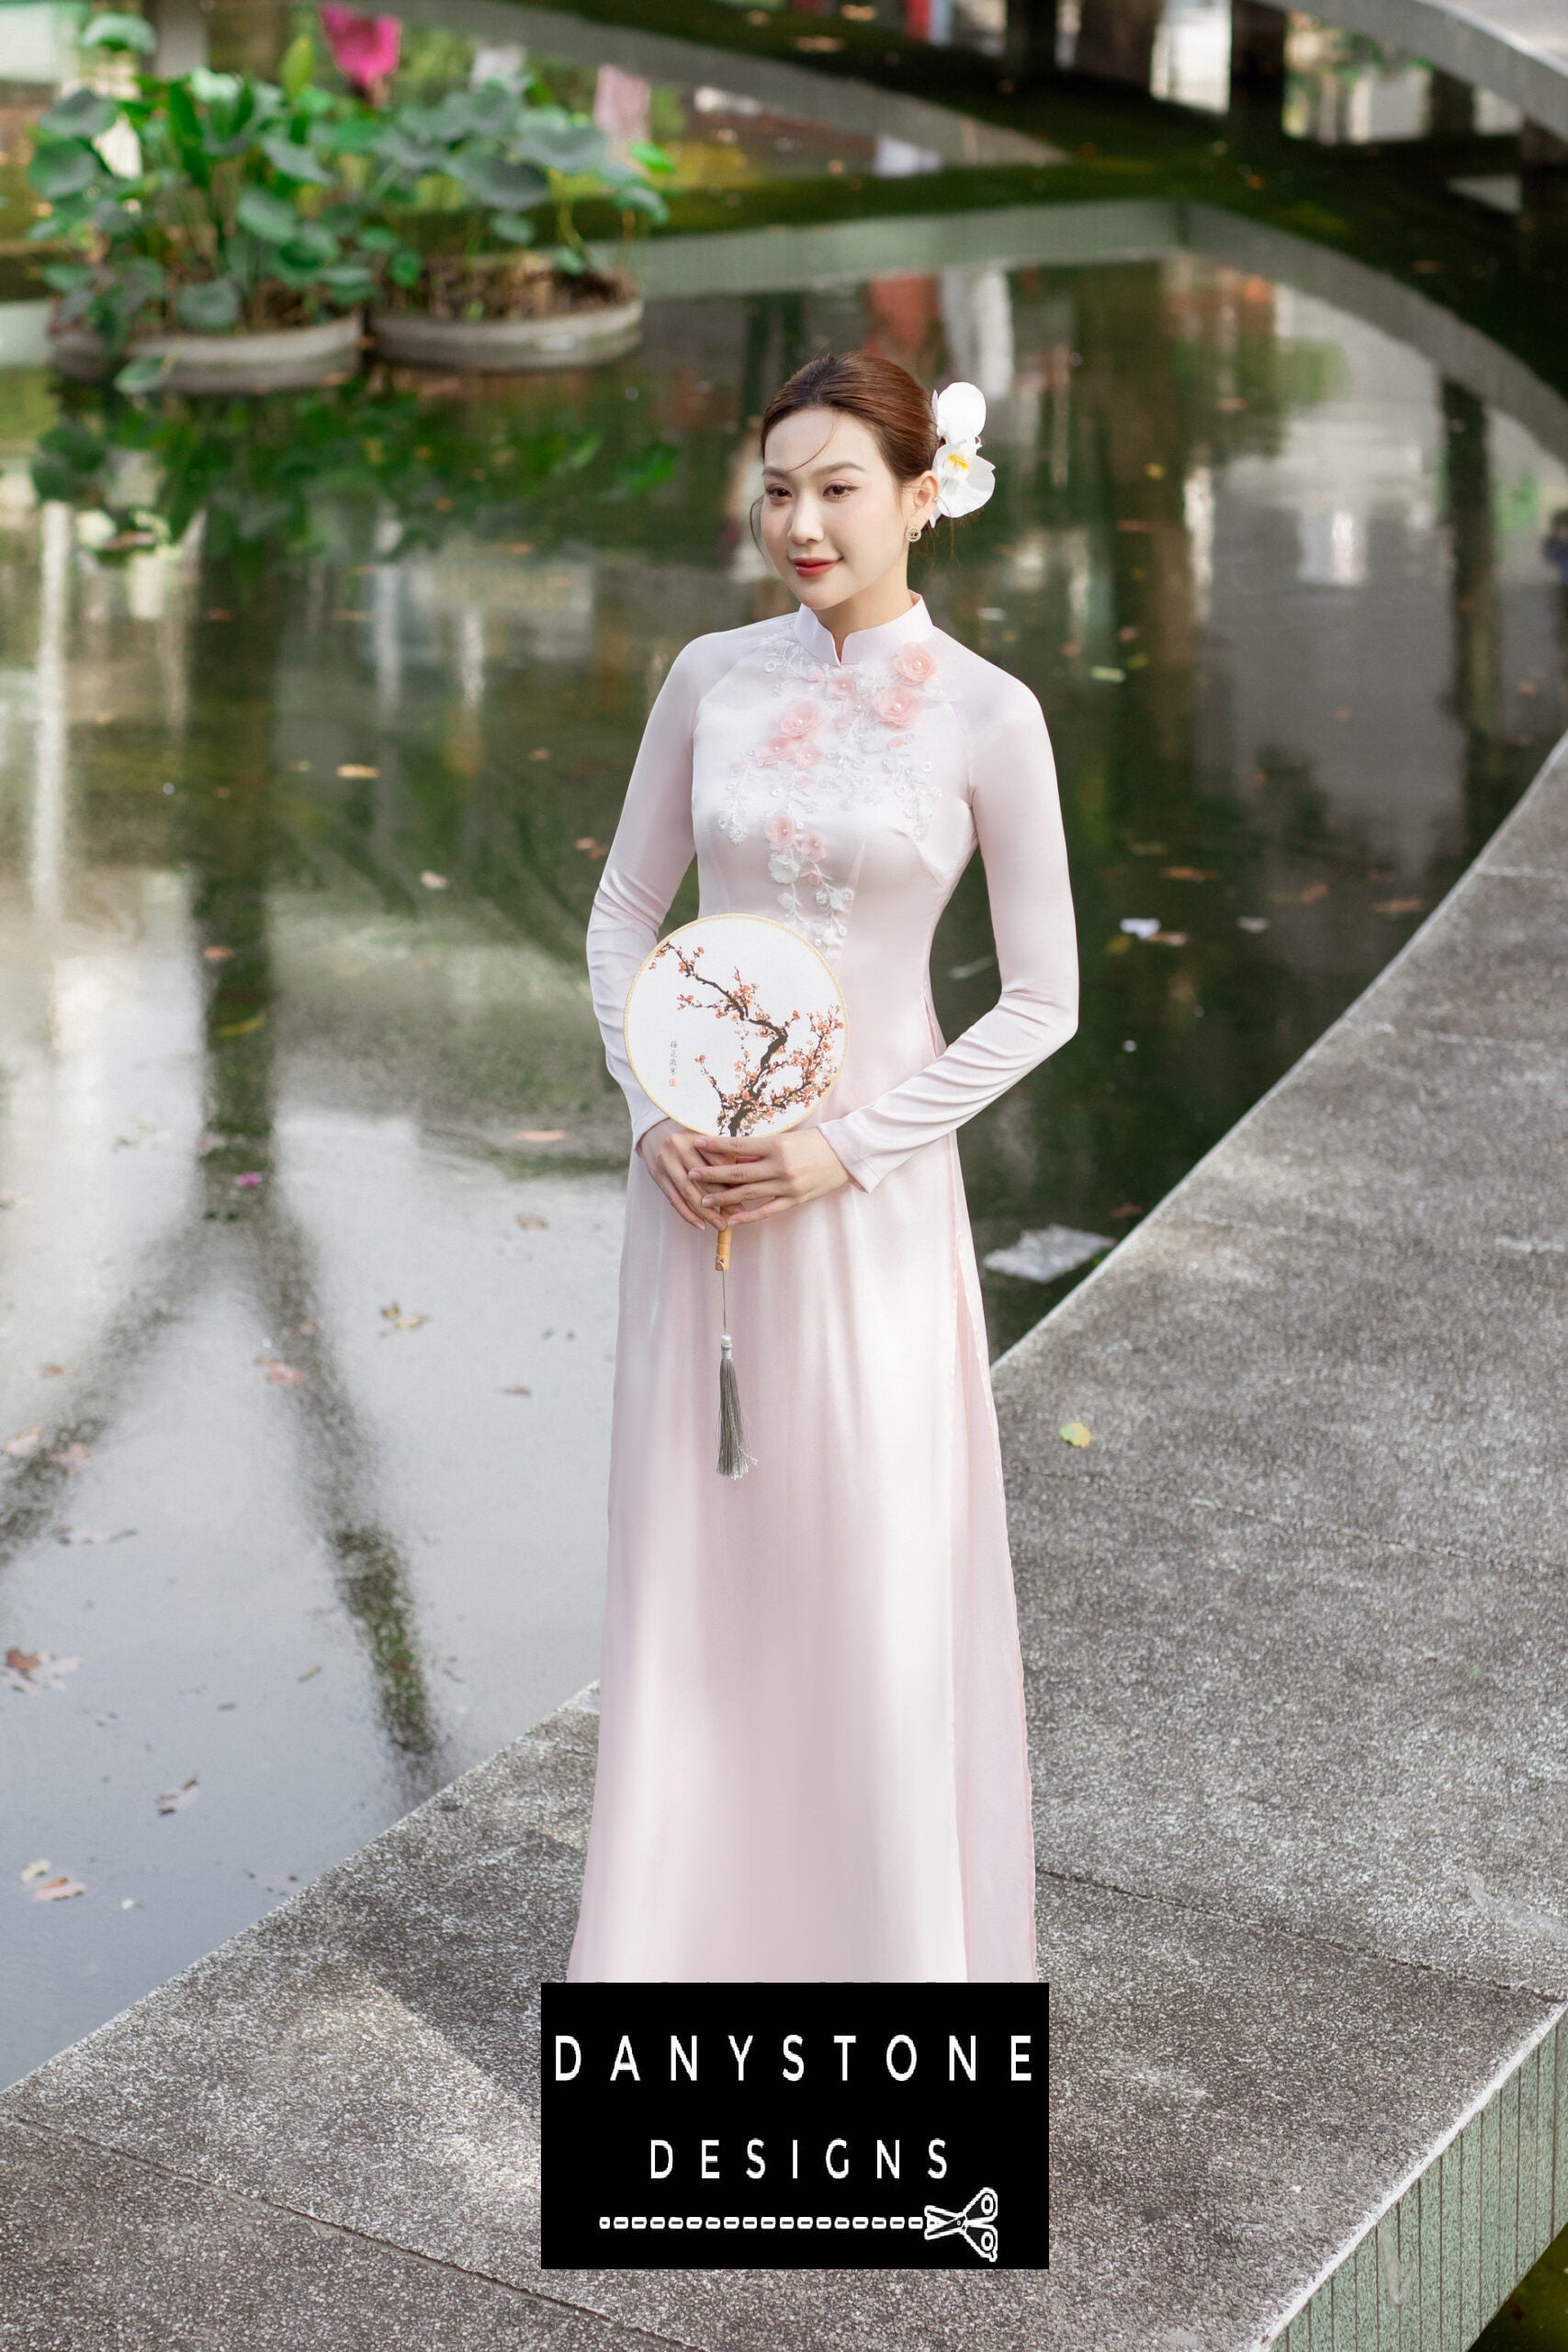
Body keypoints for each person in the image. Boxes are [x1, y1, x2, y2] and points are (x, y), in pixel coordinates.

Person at [566, 350, 1079, 1982]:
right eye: (778, 486)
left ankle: (890, 1983)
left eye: (839, 485)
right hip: (695, 1189)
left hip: (864, 1199)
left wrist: (843, 1150)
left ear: (926, 494)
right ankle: (676, 1971)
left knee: (870, 1566)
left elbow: (1047, 1000)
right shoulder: (711, 676)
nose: (800, 520)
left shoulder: (995, 717)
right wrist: (655, 1114)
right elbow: (620, 917)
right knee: (693, 1569)